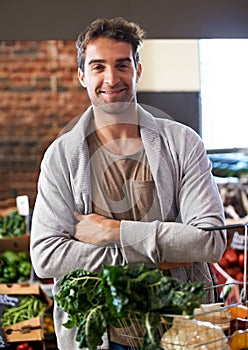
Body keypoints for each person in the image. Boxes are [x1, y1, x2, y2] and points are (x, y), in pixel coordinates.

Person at [30, 17, 227, 350]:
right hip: (98, 335)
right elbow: (47, 256)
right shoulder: (61, 157)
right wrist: (157, 254)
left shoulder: (183, 143)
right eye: (98, 67)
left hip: (181, 328)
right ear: (82, 76)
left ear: (137, 70)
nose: (111, 79)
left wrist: (113, 232)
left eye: (122, 65)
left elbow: (209, 241)